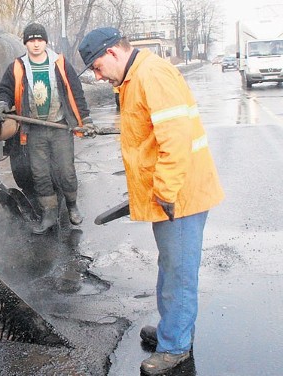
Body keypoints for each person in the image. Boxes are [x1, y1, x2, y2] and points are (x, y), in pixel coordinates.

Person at [78, 27, 224, 375]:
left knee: (179, 274)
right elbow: (148, 142)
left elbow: (176, 139)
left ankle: (175, 348)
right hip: (170, 195)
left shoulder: (152, 75)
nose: (98, 76)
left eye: (97, 67)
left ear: (113, 52)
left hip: (180, 195)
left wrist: (167, 191)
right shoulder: (134, 78)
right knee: (169, 268)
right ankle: (171, 330)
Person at [0, 23, 95, 234]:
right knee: (40, 174)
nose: (36, 44)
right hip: (34, 130)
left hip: (60, 127)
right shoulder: (17, 67)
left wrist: (86, 119)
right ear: (26, 43)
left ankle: (72, 205)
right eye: (31, 40)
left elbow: (76, 92)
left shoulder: (60, 63)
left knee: (66, 171)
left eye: (40, 40)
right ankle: (49, 214)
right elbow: (5, 90)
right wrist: (2, 103)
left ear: (46, 42)